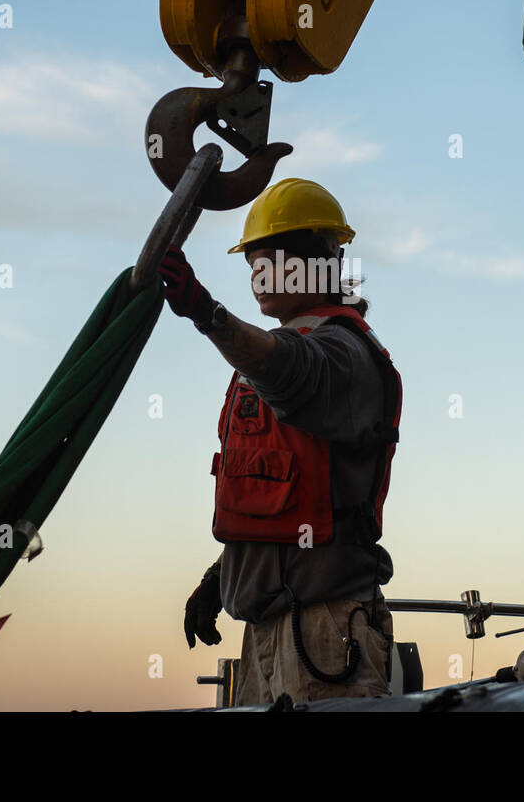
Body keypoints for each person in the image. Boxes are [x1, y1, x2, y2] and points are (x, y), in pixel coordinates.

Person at [161, 177, 402, 705]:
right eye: (251, 265)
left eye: (268, 261)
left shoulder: (343, 354)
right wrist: (222, 576)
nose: (257, 277)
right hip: (268, 630)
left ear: (315, 260)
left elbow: (292, 372)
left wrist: (207, 311)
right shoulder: (279, 353)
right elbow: (280, 504)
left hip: (327, 631)